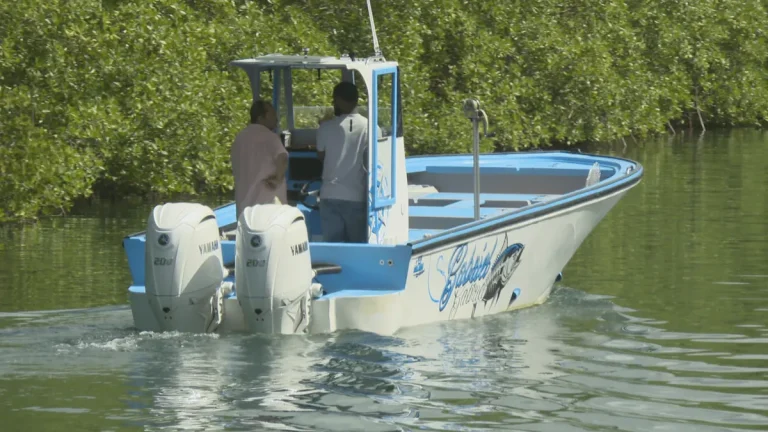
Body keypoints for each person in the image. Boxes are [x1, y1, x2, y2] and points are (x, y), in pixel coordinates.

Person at [316, 82, 370, 243]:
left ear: (338, 100)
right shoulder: (369, 127)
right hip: (356, 195)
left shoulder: (325, 128)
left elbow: (321, 156)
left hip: (329, 194)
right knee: (357, 248)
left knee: (333, 249)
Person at [230, 100, 288, 219]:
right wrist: (278, 178)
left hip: (243, 209)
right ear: (261, 117)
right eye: (272, 114)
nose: (276, 119)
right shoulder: (270, 137)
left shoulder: (239, 138)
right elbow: (282, 157)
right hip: (267, 209)